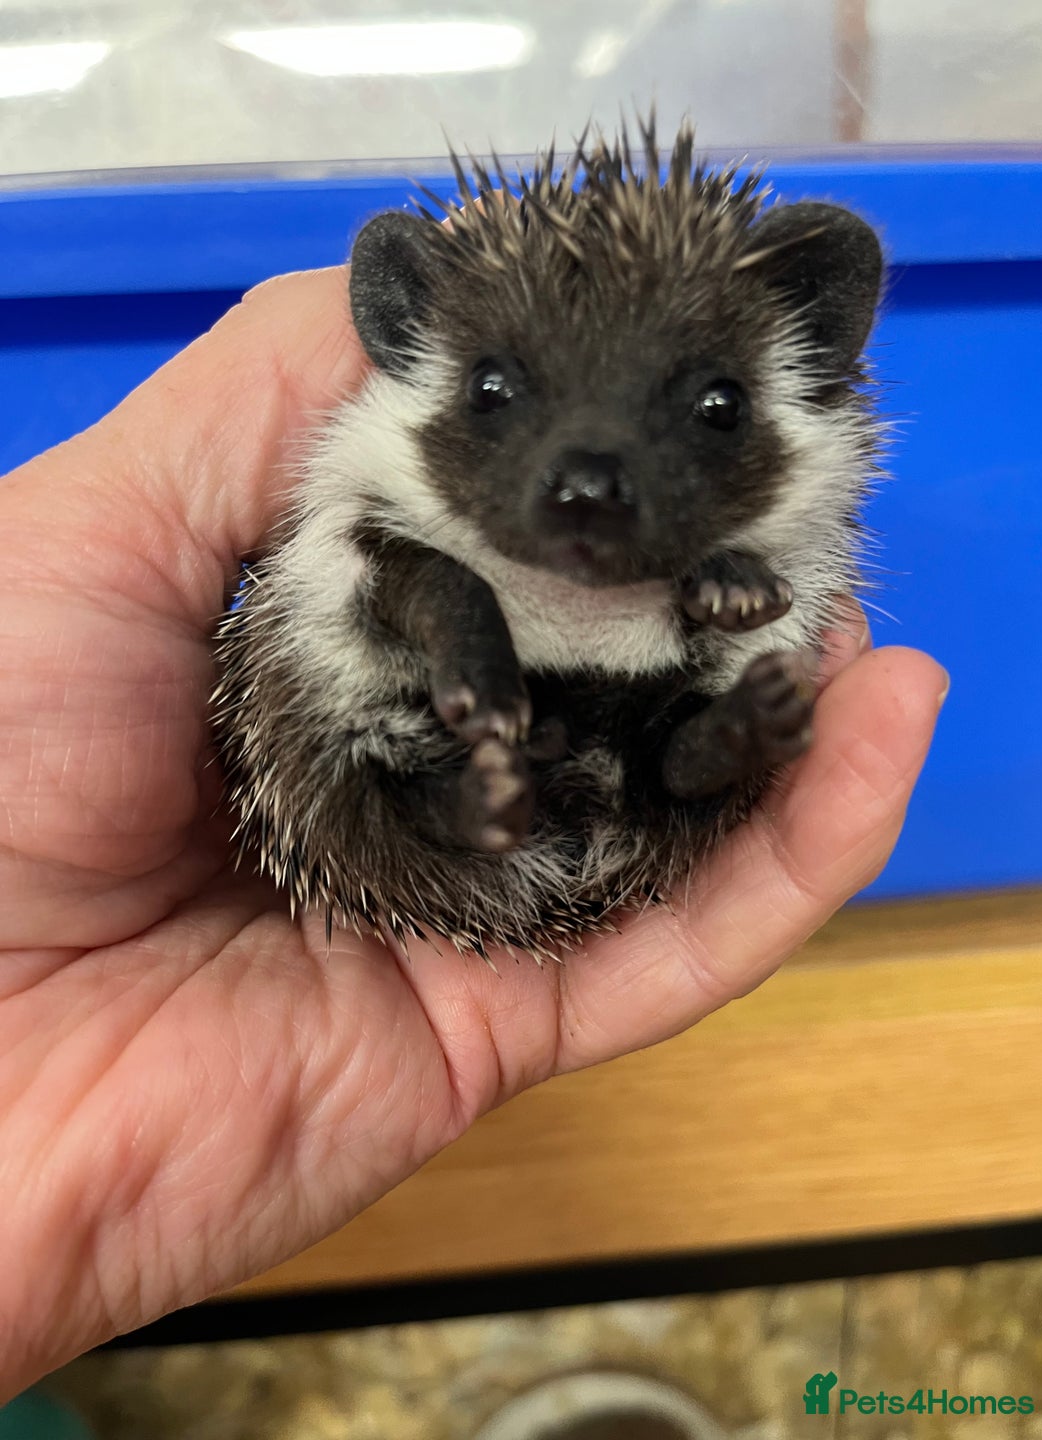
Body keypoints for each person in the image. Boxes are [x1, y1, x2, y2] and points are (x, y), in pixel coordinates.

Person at [0, 266, 946, 1402]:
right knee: (394, 746)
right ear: (410, 357)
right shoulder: (387, 494)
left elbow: (784, 578)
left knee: (704, 738)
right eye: (501, 392)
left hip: (630, 734)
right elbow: (384, 579)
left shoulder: (746, 535)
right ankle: (492, 807)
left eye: (706, 412)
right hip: (403, 760)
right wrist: (470, 636)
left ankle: (676, 761)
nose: (594, 473)